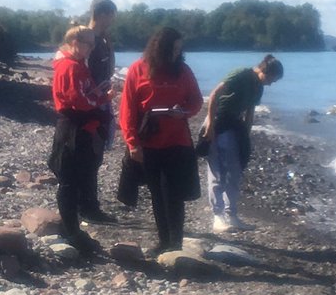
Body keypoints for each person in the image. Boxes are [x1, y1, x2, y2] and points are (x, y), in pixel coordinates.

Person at [119, 26, 203, 254]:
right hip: (149, 140)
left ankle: (176, 242)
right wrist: (132, 142)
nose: (177, 54)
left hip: (177, 140)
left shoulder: (183, 70)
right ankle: (164, 240)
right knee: (157, 192)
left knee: (173, 193)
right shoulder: (138, 69)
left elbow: (196, 101)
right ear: (161, 48)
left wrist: (183, 111)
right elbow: (127, 109)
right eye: (173, 49)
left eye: (179, 49)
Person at [202, 54, 284, 233]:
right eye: (271, 79)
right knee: (218, 171)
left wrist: (246, 138)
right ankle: (218, 217)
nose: (270, 84)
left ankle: (232, 215)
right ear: (264, 71)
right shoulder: (241, 74)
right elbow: (215, 94)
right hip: (218, 122)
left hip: (234, 127)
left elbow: (250, 112)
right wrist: (210, 125)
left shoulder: (259, 87)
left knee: (235, 171)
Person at [48, 25, 109, 255]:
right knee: (69, 179)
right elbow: (77, 100)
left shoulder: (77, 65)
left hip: (78, 125)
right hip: (72, 126)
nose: (92, 48)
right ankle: (72, 231)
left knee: (77, 176)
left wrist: (100, 100)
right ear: (74, 42)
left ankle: (73, 227)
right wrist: (99, 104)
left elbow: (84, 96)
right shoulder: (69, 66)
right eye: (88, 43)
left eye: (93, 43)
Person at [81, 0, 118, 223]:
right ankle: (87, 206)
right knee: (90, 153)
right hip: (92, 102)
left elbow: (110, 68)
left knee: (96, 153)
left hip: (100, 99)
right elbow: (82, 72)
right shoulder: (87, 39)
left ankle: (88, 203)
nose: (113, 21)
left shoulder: (100, 39)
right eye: (112, 15)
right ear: (103, 14)